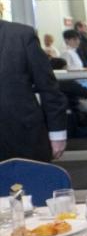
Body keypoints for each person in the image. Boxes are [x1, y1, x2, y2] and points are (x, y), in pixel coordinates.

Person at [0, 20, 67, 162]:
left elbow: (48, 86)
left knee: (31, 182)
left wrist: (57, 134)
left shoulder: (21, 35)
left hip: (22, 137)